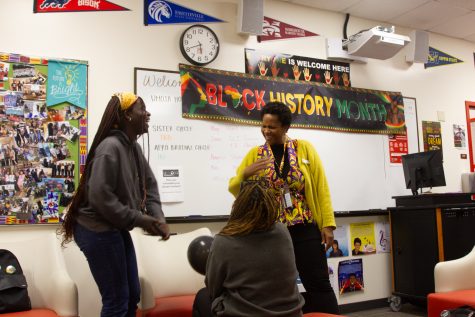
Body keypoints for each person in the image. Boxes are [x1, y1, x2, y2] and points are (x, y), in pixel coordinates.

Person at [59, 92, 170, 317]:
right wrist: (142, 220)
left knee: (131, 296)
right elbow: (101, 198)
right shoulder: (110, 147)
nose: (147, 114)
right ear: (128, 115)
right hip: (95, 230)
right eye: (142, 109)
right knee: (117, 301)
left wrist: (157, 217)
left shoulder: (133, 148)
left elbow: (150, 185)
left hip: (113, 228)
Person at [228, 101, 339, 314]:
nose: (266, 131)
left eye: (272, 127)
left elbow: (321, 187)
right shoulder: (255, 154)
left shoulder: (304, 149)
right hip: (269, 232)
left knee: (318, 283)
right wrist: (244, 174)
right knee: (272, 288)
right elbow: (236, 189)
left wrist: (328, 225)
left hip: (304, 228)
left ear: (286, 127)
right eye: (264, 126)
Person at [193, 181, 304, 317]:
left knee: (202, 296)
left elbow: (213, 289)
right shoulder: (282, 232)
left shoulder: (224, 240)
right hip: (291, 314)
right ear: (270, 205)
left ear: (238, 206)